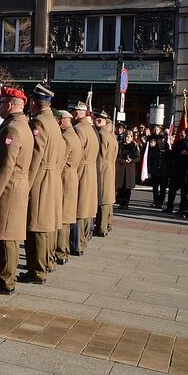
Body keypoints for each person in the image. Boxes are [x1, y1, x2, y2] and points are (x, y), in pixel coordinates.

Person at [0, 87, 34, 295]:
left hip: (8, 189)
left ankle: (6, 281)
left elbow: (5, 166)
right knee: (5, 236)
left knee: (5, 237)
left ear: (10, 105)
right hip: (14, 187)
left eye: (1, 103)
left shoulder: (12, 129)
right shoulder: (20, 125)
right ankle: (5, 277)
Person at [19, 85, 64, 285]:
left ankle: (37, 270)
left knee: (35, 225)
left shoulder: (38, 122)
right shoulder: (53, 122)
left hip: (40, 178)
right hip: (52, 176)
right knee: (46, 225)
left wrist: (27, 184)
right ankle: (45, 264)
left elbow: (35, 155)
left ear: (35, 104)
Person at [71, 101, 99, 255]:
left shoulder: (78, 129)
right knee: (86, 208)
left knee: (78, 208)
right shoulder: (90, 129)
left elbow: (75, 152)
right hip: (90, 171)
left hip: (81, 170)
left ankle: (77, 244)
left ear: (78, 113)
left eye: (73, 111)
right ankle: (83, 240)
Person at [54, 110, 80, 265]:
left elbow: (60, 161)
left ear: (63, 121)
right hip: (72, 177)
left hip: (65, 178)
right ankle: (63, 250)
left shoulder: (66, 138)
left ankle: (61, 251)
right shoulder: (73, 135)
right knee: (67, 216)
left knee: (62, 217)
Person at [94, 111, 117, 234]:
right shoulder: (112, 136)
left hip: (102, 168)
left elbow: (100, 154)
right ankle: (107, 225)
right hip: (110, 168)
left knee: (103, 198)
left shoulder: (102, 134)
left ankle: (101, 227)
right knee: (108, 199)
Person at [115, 130, 141, 210]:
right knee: (121, 187)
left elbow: (138, 158)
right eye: (126, 137)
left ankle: (126, 203)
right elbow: (116, 157)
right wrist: (123, 161)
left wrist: (131, 160)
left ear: (132, 138)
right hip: (121, 168)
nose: (127, 138)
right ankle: (121, 202)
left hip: (130, 168)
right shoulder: (120, 145)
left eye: (128, 137)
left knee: (127, 188)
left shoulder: (134, 146)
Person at [148, 132, 170, 208]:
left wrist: (169, 173)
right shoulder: (153, 150)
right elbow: (150, 161)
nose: (161, 141)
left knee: (163, 189)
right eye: (159, 140)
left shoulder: (168, 151)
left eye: (162, 139)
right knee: (155, 188)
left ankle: (160, 202)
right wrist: (149, 171)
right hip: (155, 172)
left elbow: (169, 163)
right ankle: (155, 201)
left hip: (164, 173)